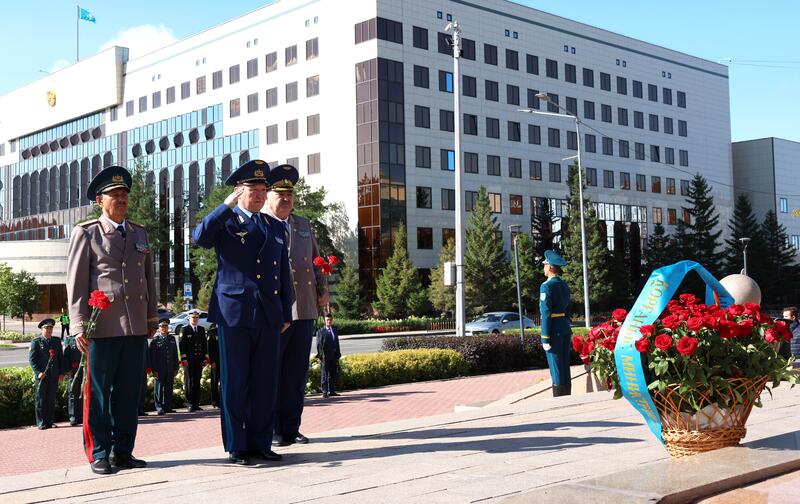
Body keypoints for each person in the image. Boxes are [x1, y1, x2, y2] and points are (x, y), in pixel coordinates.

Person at [192, 159, 292, 466]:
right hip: (234, 312)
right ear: (239, 191)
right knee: (235, 383)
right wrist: (226, 205)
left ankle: (260, 443)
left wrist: (286, 312)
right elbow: (199, 237)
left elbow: (282, 273)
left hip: (268, 314)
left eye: (263, 190)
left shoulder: (274, 225)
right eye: (253, 190)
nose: (260, 195)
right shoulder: (227, 220)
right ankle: (237, 446)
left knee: (265, 383)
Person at [66, 165, 159, 475]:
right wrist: (78, 324)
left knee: (129, 392)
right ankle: (99, 453)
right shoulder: (87, 232)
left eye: (124, 195)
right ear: (99, 200)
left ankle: (123, 451)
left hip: (135, 326)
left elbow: (148, 278)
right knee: (99, 394)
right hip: (101, 326)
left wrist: (151, 317)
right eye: (114, 195)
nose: (121, 199)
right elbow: (76, 282)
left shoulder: (139, 232)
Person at [263, 164, 329, 447]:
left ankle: (291, 427)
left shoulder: (302, 224)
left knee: (296, 373)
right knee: (273, 373)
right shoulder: (260, 223)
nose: (286, 198)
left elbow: (317, 260)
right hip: (276, 310)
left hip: (303, 307)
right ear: (267, 195)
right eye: (280, 193)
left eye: (290, 194)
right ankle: (273, 429)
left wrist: (323, 290)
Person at [539, 250, 573, 397]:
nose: (544, 268)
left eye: (545, 265)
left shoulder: (546, 286)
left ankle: (559, 398)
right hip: (564, 327)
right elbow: (568, 308)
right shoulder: (564, 285)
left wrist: (545, 337)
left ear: (550, 267)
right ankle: (567, 394)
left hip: (553, 330)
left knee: (556, 366)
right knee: (564, 364)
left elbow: (546, 313)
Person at [29, 318, 64, 429]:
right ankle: (41, 422)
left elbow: (60, 358)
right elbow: (32, 360)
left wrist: (61, 373)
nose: (49, 331)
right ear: (42, 329)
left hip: (54, 375)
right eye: (46, 328)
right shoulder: (36, 342)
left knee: (51, 399)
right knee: (40, 400)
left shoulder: (56, 341)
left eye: (50, 328)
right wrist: (38, 372)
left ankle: (49, 421)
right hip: (42, 376)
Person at [149, 318, 180, 415]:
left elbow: (175, 354)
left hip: (170, 368)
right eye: (162, 326)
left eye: (165, 326)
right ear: (159, 328)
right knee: (158, 389)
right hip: (159, 369)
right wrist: (154, 370)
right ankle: (159, 408)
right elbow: (152, 357)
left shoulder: (172, 339)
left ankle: (167, 407)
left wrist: (176, 367)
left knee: (168, 388)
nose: (164, 328)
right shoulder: (155, 340)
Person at [179, 310, 208, 412]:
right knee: (189, 381)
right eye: (193, 317)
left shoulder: (201, 329)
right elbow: (182, 345)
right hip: (189, 360)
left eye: (196, 317)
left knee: (197, 380)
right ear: (189, 318)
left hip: (198, 359)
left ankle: (196, 403)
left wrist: (205, 358)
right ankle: (189, 403)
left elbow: (204, 344)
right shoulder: (184, 329)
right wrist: (184, 359)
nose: (195, 319)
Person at [316, 313, 341, 399]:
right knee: (324, 374)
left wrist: (338, 353)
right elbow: (318, 345)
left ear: (332, 320)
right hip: (325, 357)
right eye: (327, 320)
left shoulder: (334, 330)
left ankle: (332, 391)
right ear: (324, 321)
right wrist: (321, 356)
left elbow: (336, 343)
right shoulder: (320, 331)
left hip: (333, 356)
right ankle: (324, 391)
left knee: (332, 374)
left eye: (330, 320)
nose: (329, 321)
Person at [62, 331, 83, 426]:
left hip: (83, 369)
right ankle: (73, 417)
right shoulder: (69, 339)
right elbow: (65, 356)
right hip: (73, 371)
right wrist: (67, 370)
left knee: (82, 393)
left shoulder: (85, 336)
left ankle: (80, 416)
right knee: (73, 393)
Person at [207, 323, 221, 408]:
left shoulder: (226, 330)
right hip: (215, 361)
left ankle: (222, 399)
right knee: (215, 381)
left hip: (224, 361)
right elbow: (209, 347)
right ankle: (215, 401)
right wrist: (212, 361)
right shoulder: (212, 331)